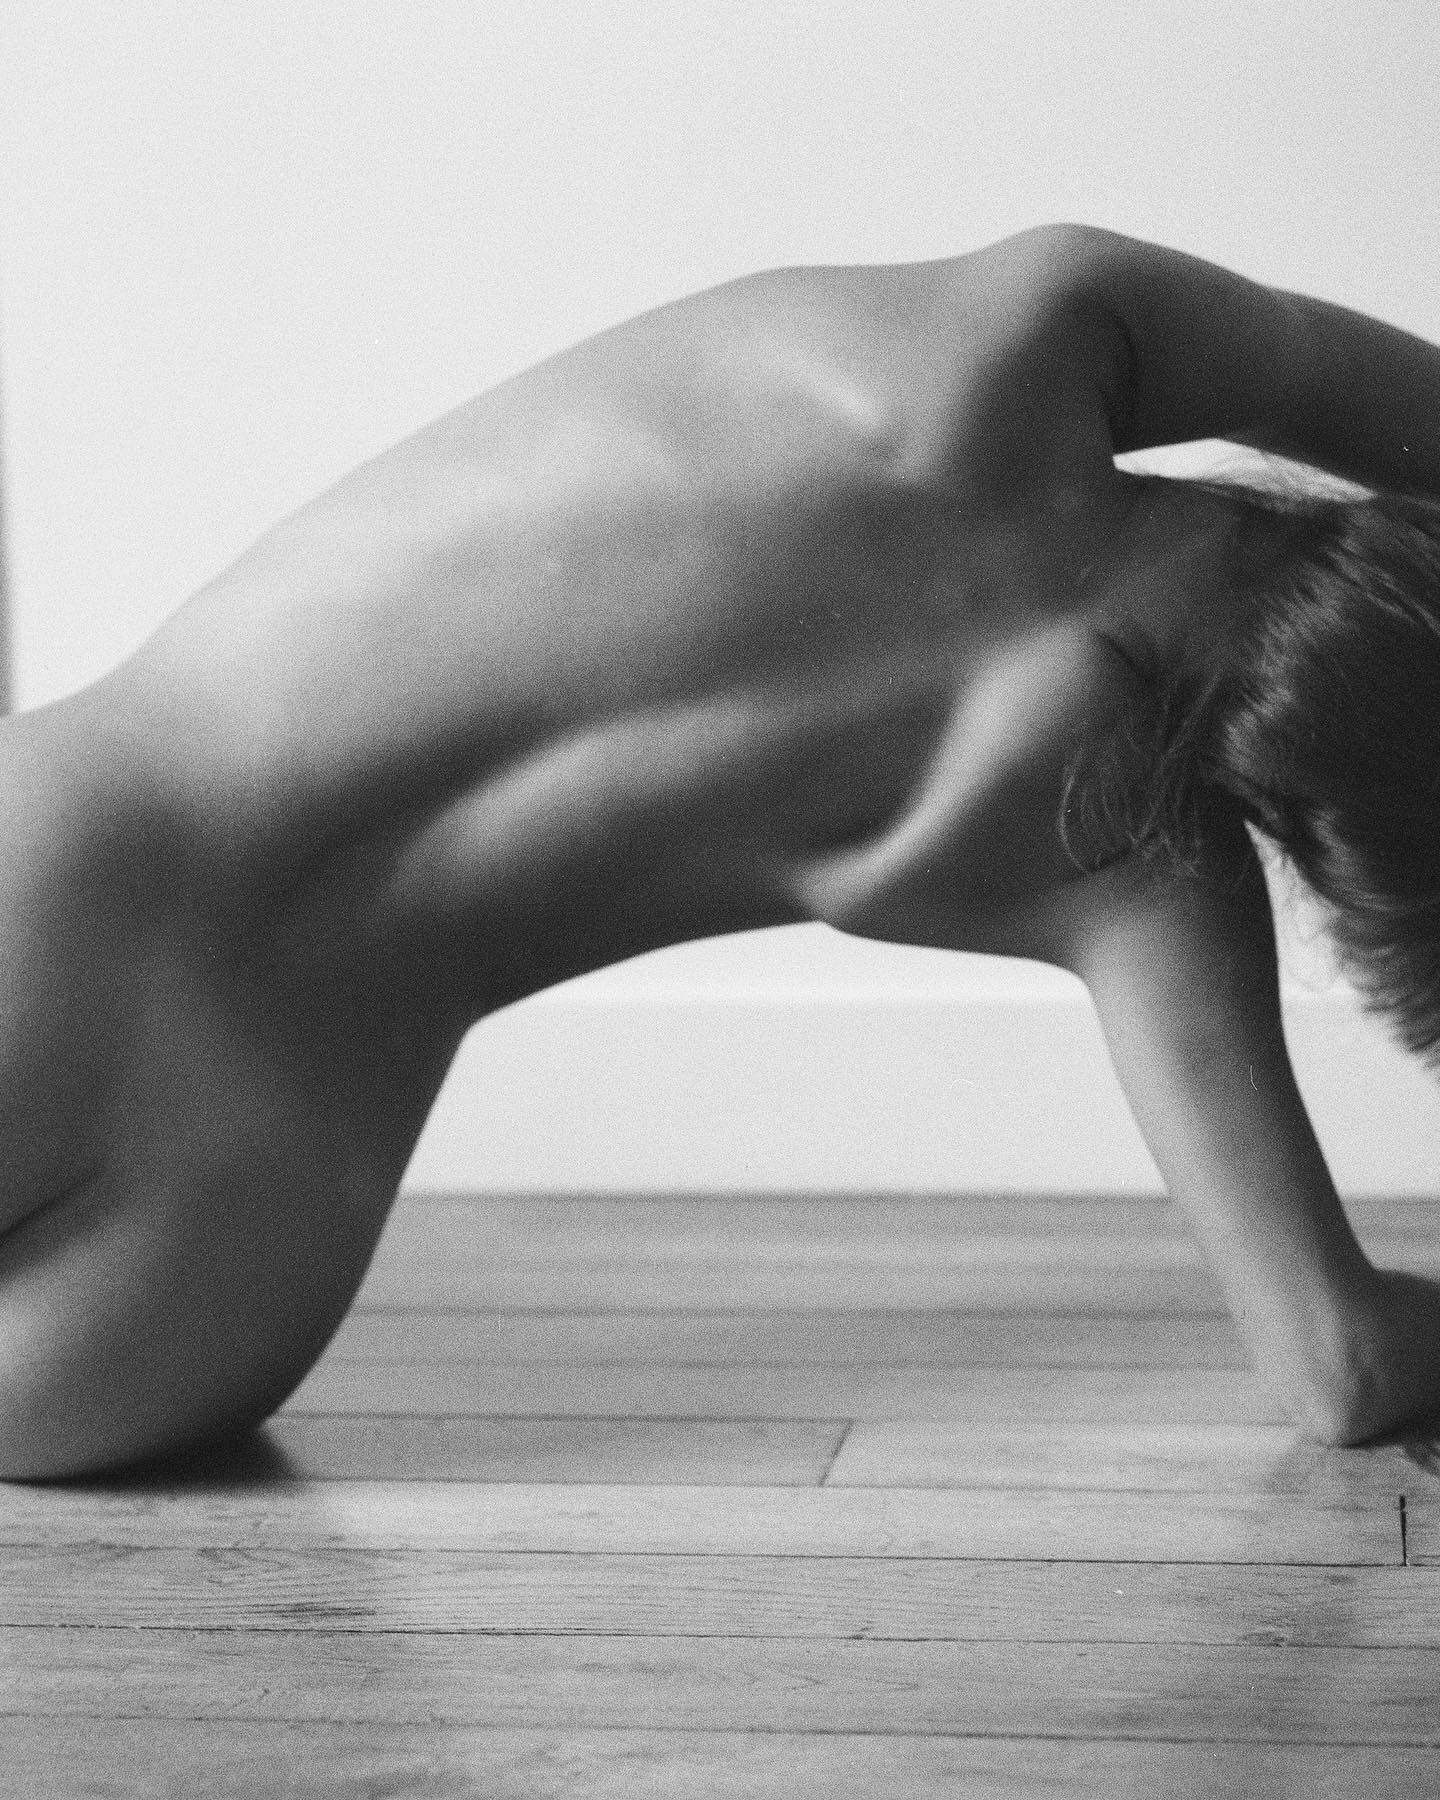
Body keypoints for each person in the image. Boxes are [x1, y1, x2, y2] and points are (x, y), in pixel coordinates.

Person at [3, 223, 1440, 1479]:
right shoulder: (1125, 861)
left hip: (74, 871)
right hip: (238, 1226)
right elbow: (1340, 1368)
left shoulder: (1035, 333)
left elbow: (1368, 393)